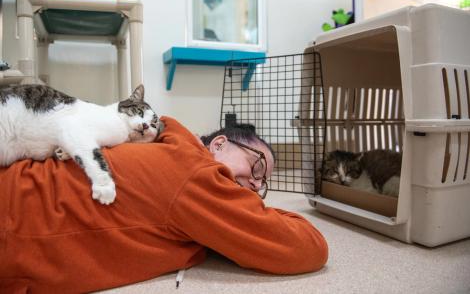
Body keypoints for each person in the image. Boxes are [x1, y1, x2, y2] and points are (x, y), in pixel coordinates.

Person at [0, 116, 328, 293]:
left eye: (262, 183)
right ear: (218, 144)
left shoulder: (165, 146)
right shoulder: (196, 175)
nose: (256, 185)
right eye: (257, 166)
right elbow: (308, 247)